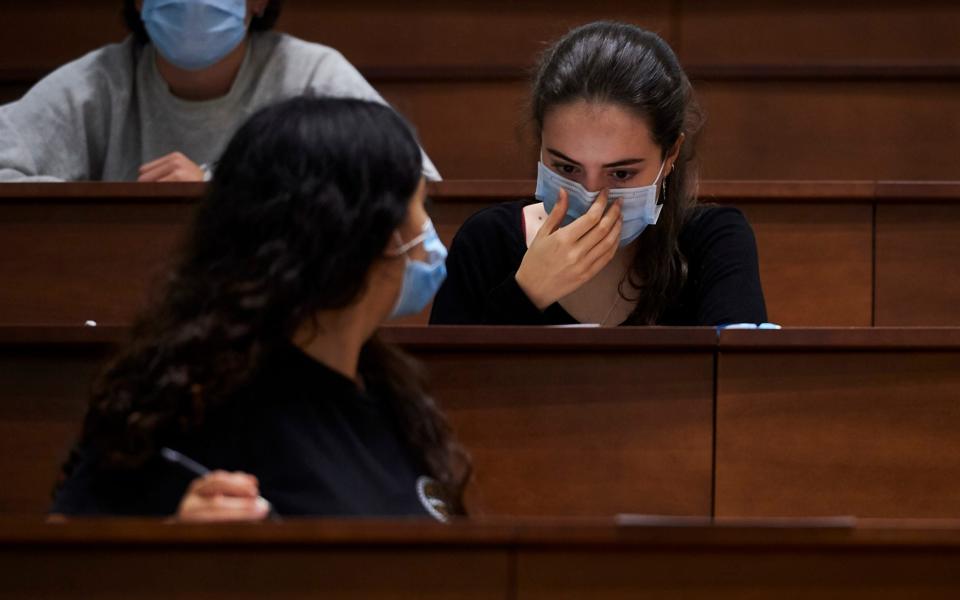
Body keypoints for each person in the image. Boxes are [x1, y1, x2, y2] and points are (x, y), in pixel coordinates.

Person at [51, 97, 468, 521]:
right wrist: (169, 547)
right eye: (417, 208)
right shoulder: (188, 405)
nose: (428, 236)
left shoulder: (392, 395)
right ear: (353, 233)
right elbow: (65, 562)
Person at [429, 22, 766, 327]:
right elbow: (450, 388)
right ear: (541, 145)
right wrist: (525, 293)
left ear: (670, 155)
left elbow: (739, 384)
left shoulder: (713, 242)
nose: (591, 198)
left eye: (620, 173)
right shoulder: (486, 243)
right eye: (566, 168)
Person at [0, 0, 440, 182]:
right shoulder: (100, 80)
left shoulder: (310, 74)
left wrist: (221, 190)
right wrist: (118, 208)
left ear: (260, 2)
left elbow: (411, 180)